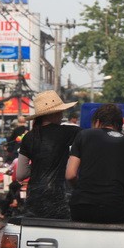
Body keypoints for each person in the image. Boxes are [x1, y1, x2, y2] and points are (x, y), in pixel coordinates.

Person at [66, 103, 124, 223]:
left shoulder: (83, 135)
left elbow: (70, 175)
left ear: (97, 122)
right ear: (119, 125)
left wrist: (83, 190)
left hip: (82, 208)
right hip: (117, 211)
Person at [16, 90, 79, 220]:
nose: (62, 116)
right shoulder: (68, 132)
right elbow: (92, 139)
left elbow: (20, 174)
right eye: (60, 112)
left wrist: (38, 166)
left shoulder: (28, 137)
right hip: (59, 197)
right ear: (54, 113)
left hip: (34, 199)